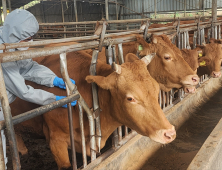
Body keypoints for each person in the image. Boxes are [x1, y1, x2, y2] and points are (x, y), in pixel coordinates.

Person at [0, 9, 76, 169]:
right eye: (27, 39)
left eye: (32, 38)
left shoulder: (11, 41)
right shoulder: (2, 53)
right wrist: (54, 100)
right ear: (16, 36)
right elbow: (23, 91)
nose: (30, 42)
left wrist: (54, 79)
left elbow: (28, 66)